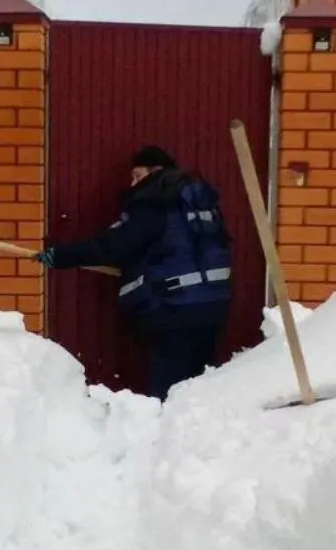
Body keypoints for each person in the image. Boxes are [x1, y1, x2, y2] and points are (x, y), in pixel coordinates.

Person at [35, 145, 233, 401]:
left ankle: (167, 436)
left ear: (157, 171)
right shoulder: (197, 199)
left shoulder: (155, 201)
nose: (132, 183)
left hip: (174, 311)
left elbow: (114, 245)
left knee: (169, 391)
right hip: (213, 306)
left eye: (137, 175)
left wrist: (61, 255)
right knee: (198, 387)